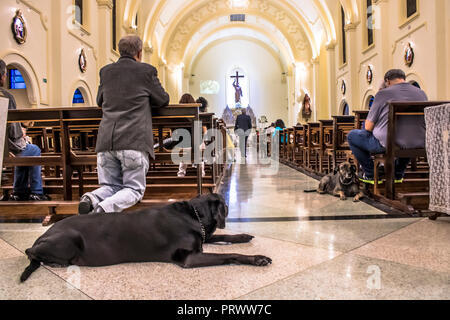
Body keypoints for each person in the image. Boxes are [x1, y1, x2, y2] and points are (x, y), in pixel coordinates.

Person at [78, 35, 170, 214]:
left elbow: (99, 100)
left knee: (110, 186)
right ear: (139, 52)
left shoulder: (106, 71)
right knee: (134, 189)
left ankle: (91, 198)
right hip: (133, 141)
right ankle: (104, 208)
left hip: (106, 142)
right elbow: (163, 100)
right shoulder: (146, 71)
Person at [347, 69, 428, 184]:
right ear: (403, 79)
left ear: (387, 82)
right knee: (407, 138)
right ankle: (397, 174)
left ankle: (371, 174)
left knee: (352, 136)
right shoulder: (421, 93)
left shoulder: (383, 94)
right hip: (418, 142)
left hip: (389, 143)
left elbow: (368, 127)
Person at [0, 60, 49, 201]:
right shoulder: (6, 97)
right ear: (2, 76)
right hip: (5, 148)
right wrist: (23, 133)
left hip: (5, 148)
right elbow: (14, 133)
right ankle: (36, 192)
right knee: (32, 150)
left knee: (24, 150)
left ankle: (19, 190)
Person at [177, 94, 207, 177]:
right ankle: (201, 173)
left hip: (182, 145)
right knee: (199, 147)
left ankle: (181, 173)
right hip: (197, 145)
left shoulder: (178, 115)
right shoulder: (196, 114)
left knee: (185, 148)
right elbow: (202, 130)